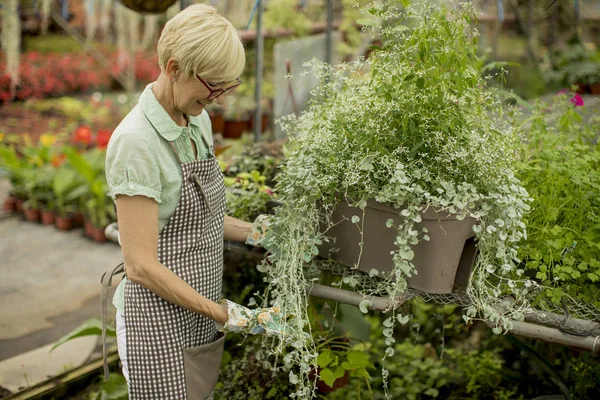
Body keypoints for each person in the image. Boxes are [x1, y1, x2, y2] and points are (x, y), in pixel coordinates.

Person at [103, 4, 282, 399]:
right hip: (156, 323)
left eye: (227, 87)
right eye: (213, 85)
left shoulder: (194, 118)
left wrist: (264, 233)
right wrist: (226, 313)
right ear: (174, 67)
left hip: (196, 314)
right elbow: (141, 267)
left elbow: (202, 217)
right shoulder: (137, 144)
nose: (219, 99)